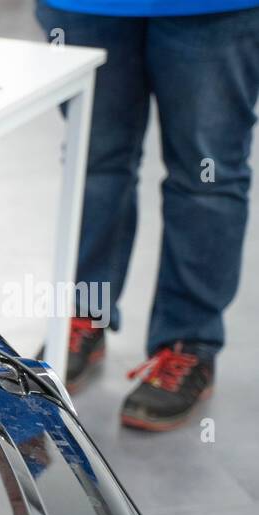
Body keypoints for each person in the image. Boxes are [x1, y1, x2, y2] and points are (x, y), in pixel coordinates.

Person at [37, 0, 259, 430]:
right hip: (86, 8)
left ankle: (188, 341)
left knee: (205, 177)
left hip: (214, 10)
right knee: (94, 163)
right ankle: (86, 312)